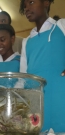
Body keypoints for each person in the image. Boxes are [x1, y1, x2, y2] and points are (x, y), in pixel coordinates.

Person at [19, 0, 65, 132]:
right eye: (25, 5)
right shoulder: (26, 41)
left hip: (61, 102)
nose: (27, 8)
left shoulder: (61, 25)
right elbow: (22, 78)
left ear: (46, 2)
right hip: (35, 107)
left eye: (31, 2)